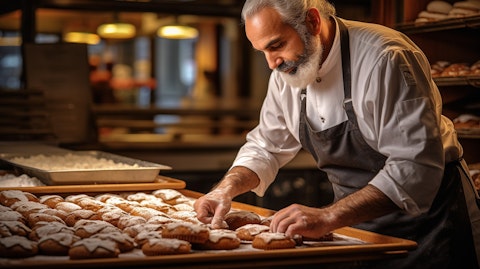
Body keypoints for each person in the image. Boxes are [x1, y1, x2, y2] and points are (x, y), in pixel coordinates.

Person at [193, 0, 480, 268]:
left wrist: (329, 215)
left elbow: (414, 167)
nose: (272, 63)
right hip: (355, 225)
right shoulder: (287, 73)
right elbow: (266, 146)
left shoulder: (385, 57)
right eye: (263, 52)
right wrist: (225, 189)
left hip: (431, 224)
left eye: (277, 45)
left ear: (313, 21)